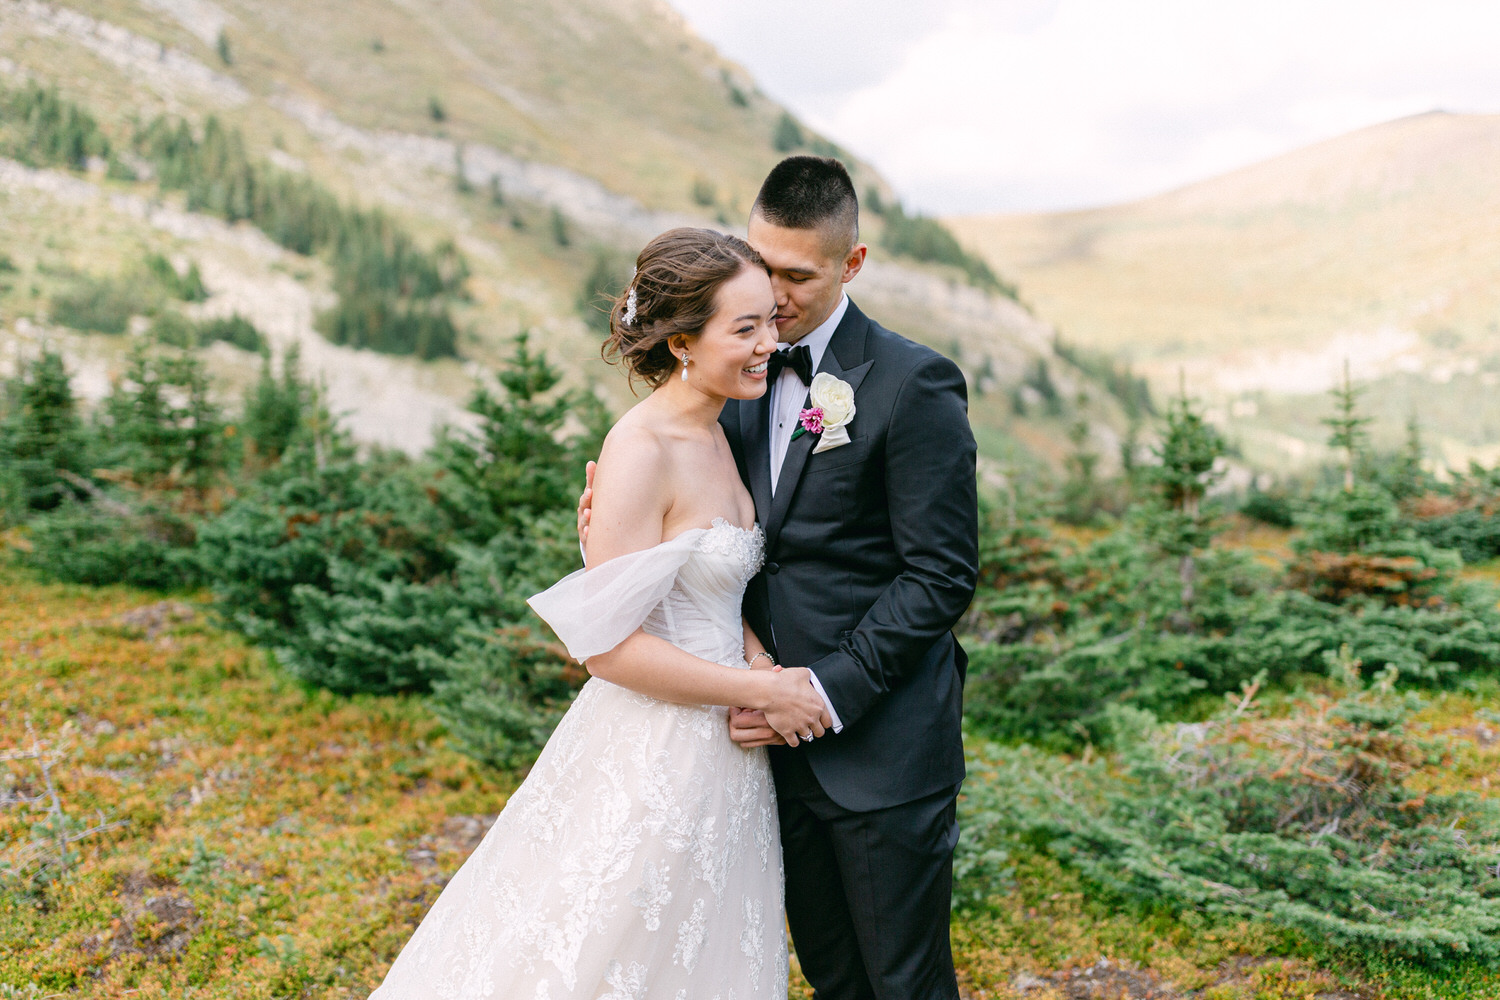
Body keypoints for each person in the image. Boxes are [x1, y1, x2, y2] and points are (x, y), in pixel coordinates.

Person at [370, 228, 830, 999]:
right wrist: (762, 692)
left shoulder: (721, 429)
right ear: (683, 340)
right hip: (651, 750)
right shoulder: (641, 447)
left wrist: (756, 661)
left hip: (724, 758)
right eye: (744, 328)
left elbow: (709, 589)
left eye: (770, 323)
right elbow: (608, 649)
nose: (767, 344)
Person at [580, 156, 979, 999]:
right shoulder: (741, 374)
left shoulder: (915, 384)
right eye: (766, 272)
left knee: (904, 984)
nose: (780, 300)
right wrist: (610, 546)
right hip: (755, 754)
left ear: (852, 265)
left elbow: (940, 576)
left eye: (800, 277)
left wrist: (822, 693)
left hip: (880, 748)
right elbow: (696, 530)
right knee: (832, 979)